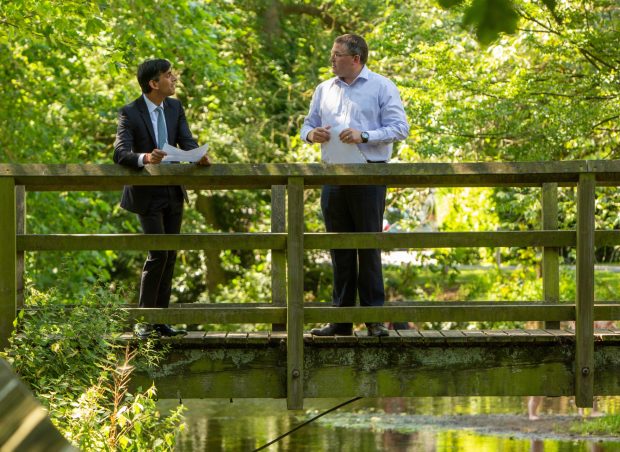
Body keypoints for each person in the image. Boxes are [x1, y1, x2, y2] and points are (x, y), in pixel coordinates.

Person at [301, 34, 410, 337]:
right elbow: (306, 126)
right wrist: (313, 136)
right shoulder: (324, 89)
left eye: (337, 55)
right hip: (332, 176)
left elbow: (400, 128)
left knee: (368, 247)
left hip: (368, 175)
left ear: (356, 58)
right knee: (339, 249)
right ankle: (341, 321)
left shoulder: (381, 86)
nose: (332, 59)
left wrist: (365, 136)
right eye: (332, 54)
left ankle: (374, 320)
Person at [114, 58, 210, 339]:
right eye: (169, 75)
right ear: (153, 84)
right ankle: (145, 321)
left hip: (173, 189)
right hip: (146, 191)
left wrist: (197, 154)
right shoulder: (130, 112)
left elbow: (186, 140)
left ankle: (161, 321)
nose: (174, 79)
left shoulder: (176, 107)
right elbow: (120, 152)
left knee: (170, 255)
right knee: (158, 254)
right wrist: (145, 158)